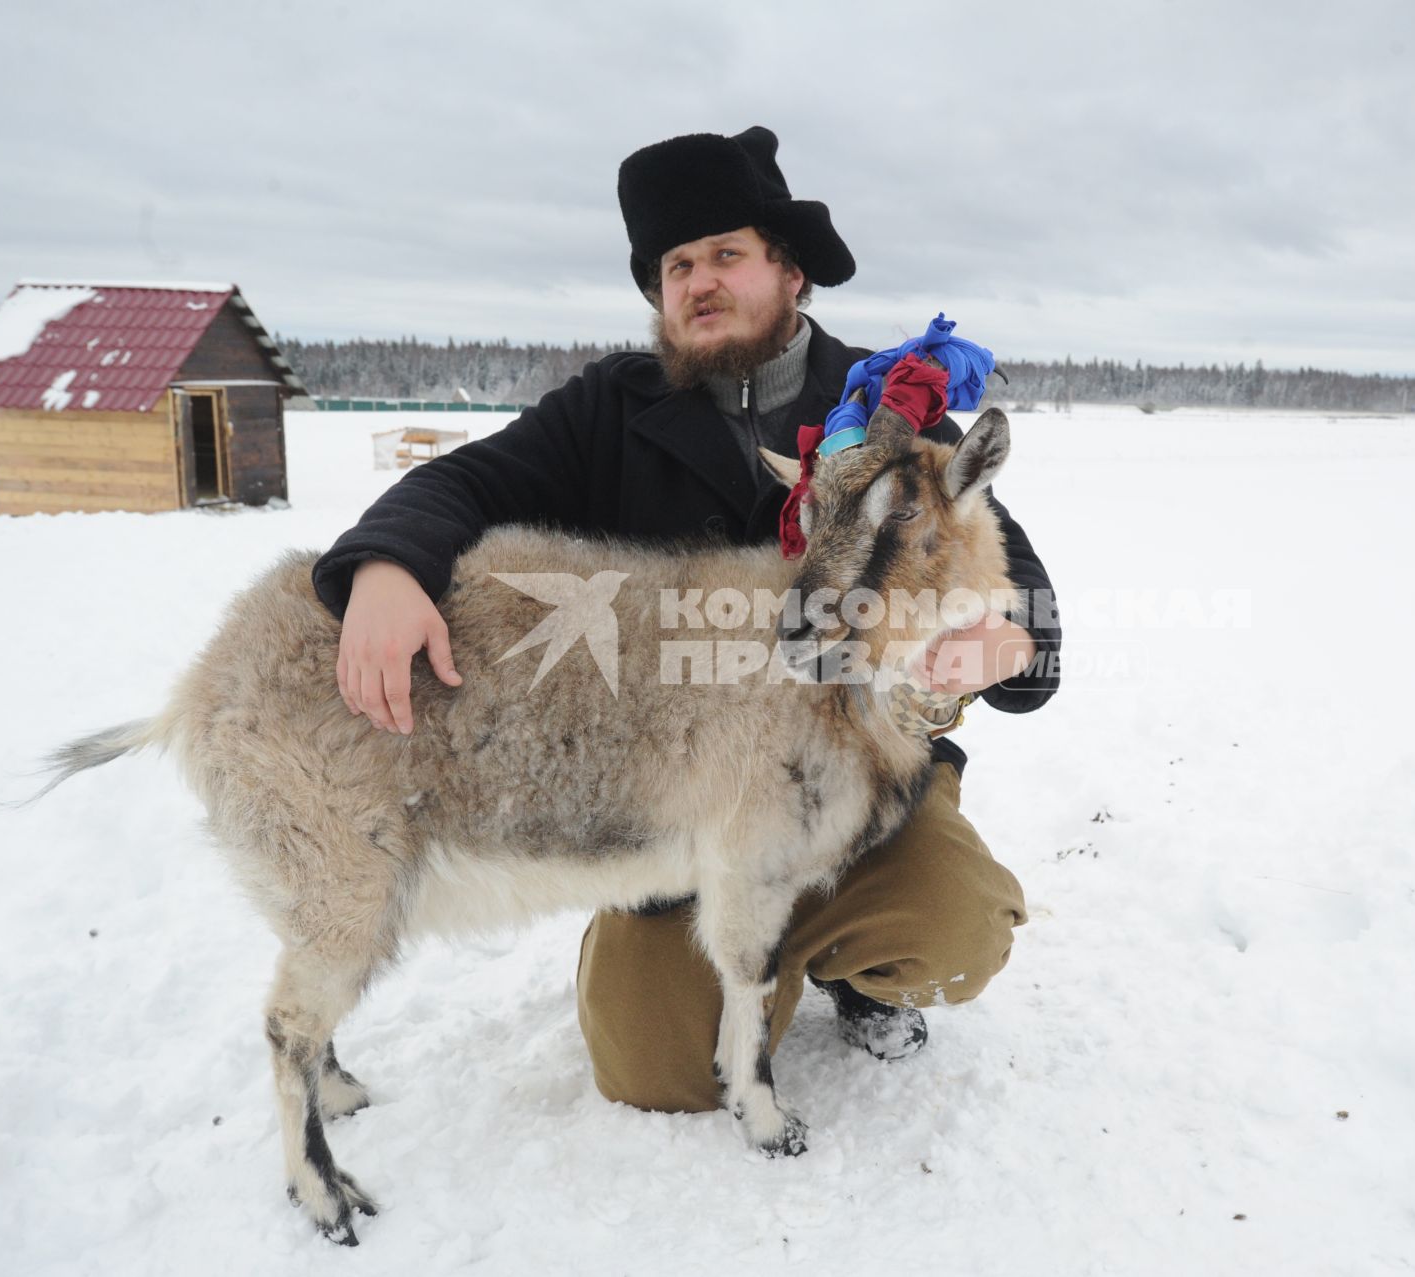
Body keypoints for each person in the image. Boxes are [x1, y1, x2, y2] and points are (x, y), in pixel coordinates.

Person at [311, 126, 1061, 1114]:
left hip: (862, 797)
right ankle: (708, 962)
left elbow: (1017, 584)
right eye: (676, 263)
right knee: (656, 1069)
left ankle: (851, 968)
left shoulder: (888, 405)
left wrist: (1012, 646)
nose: (699, 281)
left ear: (788, 271)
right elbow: (465, 481)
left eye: (726, 254)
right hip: (678, 821)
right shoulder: (605, 411)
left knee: (957, 930)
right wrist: (385, 565)